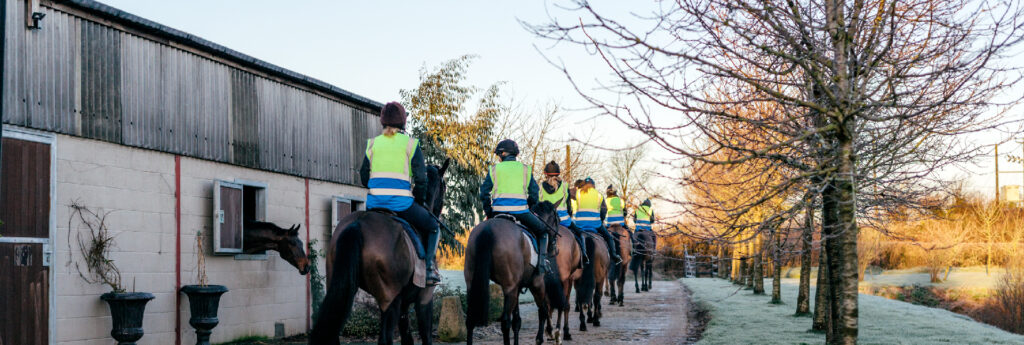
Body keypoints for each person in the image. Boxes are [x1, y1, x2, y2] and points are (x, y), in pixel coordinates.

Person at [359, 101, 442, 285]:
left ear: (383, 122)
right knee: (433, 226)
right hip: (402, 205)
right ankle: (428, 269)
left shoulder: (372, 144)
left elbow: (363, 177)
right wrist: (419, 201)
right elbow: (421, 179)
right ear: (403, 122)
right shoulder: (410, 144)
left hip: (373, 205)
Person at [480, 139, 552, 273]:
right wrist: (529, 205)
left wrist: (489, 211)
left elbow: (484, 193)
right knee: (543, 231)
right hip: (521, 212)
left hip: (497, 213)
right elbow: (534, 193)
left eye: (499, 154)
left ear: (503, 153)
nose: (498, 157)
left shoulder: (494, 169)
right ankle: (542, 264)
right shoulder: (525, 169)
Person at [540, 161, 589, 264]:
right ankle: (584, 257)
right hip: (564, 220)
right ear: (558, 174)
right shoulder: (564, 186)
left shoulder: (540, 186)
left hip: (546, 222)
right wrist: (569, 214)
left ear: (546, 174)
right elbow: (569, 205)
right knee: (579, 234)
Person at [574, 177, 623, 263]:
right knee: (609, 237)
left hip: (579, 224)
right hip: (595, 224)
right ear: (593, 186)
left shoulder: (578, 193)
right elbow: (604, 211)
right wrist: (601, 219)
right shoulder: (599, 195)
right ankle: (614, 256)